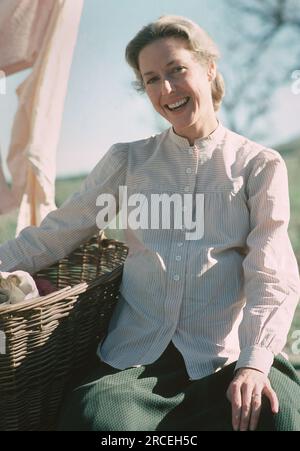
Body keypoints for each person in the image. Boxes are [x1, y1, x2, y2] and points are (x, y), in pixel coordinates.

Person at [1, 15, 300, 431]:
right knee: (96, 422)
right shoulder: (128, 161)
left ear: (209, 68)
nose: (167, 90)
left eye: (177, 70)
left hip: (226, 355)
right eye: (152, 79)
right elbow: (57, 233)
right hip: (135, 357)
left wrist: (254, 364)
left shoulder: (258, 165)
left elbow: (272, 273)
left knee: (280, 418)